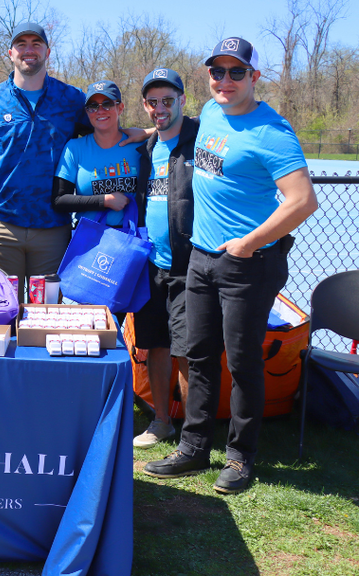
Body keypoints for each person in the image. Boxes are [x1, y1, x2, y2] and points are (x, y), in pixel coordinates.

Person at [144, 38, 318, 494]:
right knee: (200, 356)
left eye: (236, 72)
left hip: (249, 264)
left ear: (254, 77)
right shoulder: (213, 113)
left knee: (242, 363)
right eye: (217, 72)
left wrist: (251, 241)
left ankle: (241, 458)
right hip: (200, 258)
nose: (225, 81)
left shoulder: (272, 131)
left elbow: (302, 201)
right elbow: (169, 133)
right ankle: (194, 448)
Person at [0, 22, 92, 301]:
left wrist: (140, 133)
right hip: (0, 228)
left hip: (53, 229)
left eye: (36, 43)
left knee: (44, 319)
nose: (29, 50)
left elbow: (103, 134)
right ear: (10, 52)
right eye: (22, 44)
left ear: (47, 51)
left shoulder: (71, 100)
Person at [130, 68, 197, 449]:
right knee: (154, 344)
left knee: (186, 349)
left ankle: (193, 431)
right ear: (145, 105)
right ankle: (161, 421)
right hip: (151, 264)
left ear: (182, 101)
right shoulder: (145, 151)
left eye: (167, 101)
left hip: (189, 266)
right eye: (153, 102)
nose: (160, 108)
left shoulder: (200, 140)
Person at [52, 80, 138, 227]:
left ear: (120, 108)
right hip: (89, 240)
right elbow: (59, 200)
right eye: (93, 106)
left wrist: (150, 131)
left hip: (130, 239)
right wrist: (104, 201)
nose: (100, 111)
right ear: (87, 111)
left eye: (107, 104)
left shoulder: (138, 146)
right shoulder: (75, 148)